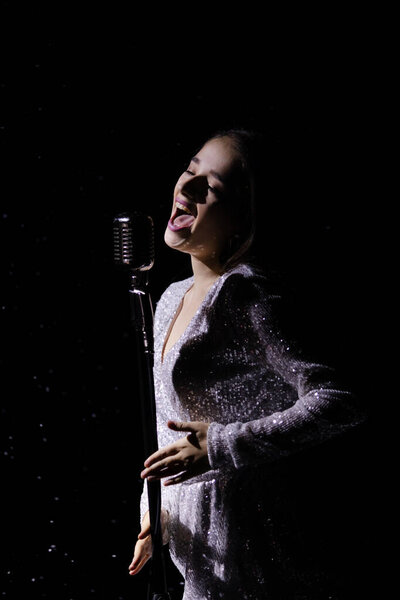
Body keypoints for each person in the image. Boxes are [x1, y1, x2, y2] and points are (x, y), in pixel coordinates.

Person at [128, 129, 365, 599]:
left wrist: (222, 444)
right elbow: (167, 428)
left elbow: (343, 399)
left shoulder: (248, 293)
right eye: (191, 169)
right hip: (198, 557)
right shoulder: (170, 297)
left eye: (212, 186)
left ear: (242, 217)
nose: (188, 187)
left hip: (256, 552)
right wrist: (155, 513)